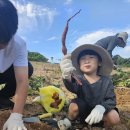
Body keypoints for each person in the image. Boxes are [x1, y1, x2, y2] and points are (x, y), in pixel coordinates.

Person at [58, 44, 120, 129]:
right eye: (83, 58)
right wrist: (67, 76)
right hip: (83, 113)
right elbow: (72, 87)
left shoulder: (106, 81)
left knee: (114, 117)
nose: (86, 61)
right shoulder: (79, 79)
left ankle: (101, 127)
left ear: (99, 63)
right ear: (79, 64)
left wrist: (102, 107)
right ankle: (69, 120)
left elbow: (111, 100)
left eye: (91, 57)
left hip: (100, 115)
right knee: (73, 106)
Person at [0, 0, 33, 130]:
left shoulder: (18, 44)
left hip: (5, 71)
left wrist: (17, 115)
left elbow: (22, 81)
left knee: (28, 69)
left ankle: (2, 97)